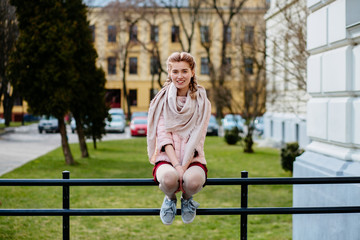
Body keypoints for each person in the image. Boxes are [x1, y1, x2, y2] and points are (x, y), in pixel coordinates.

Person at [147, 52, 211, 225]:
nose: (180, 76)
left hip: (193, 157)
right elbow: (163, 137)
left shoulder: (202, 102)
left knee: (194, 180)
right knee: (169, 178)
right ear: (169, 73)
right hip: (167, 158)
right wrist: (176, 165)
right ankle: (169, 200)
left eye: (184, 71)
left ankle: (187, 199)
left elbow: (198, 137)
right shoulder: (161, 101)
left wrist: (184, 166)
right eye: (175, 71)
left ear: (192, 72)